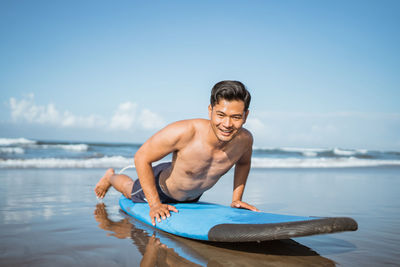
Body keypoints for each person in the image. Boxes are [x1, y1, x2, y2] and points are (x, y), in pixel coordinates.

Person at [95, 80, 259, 226]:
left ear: (246, 115)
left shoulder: (244, 140)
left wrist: (236, 199)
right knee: (128, 189)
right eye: (221, 115)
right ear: (210, 110)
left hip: (192, 197)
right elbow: (141, 157)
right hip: (160, 188)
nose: (227, 124)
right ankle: (110, 177)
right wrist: (154, 204)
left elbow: (244, 163)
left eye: (236, 117)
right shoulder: (184, 132)